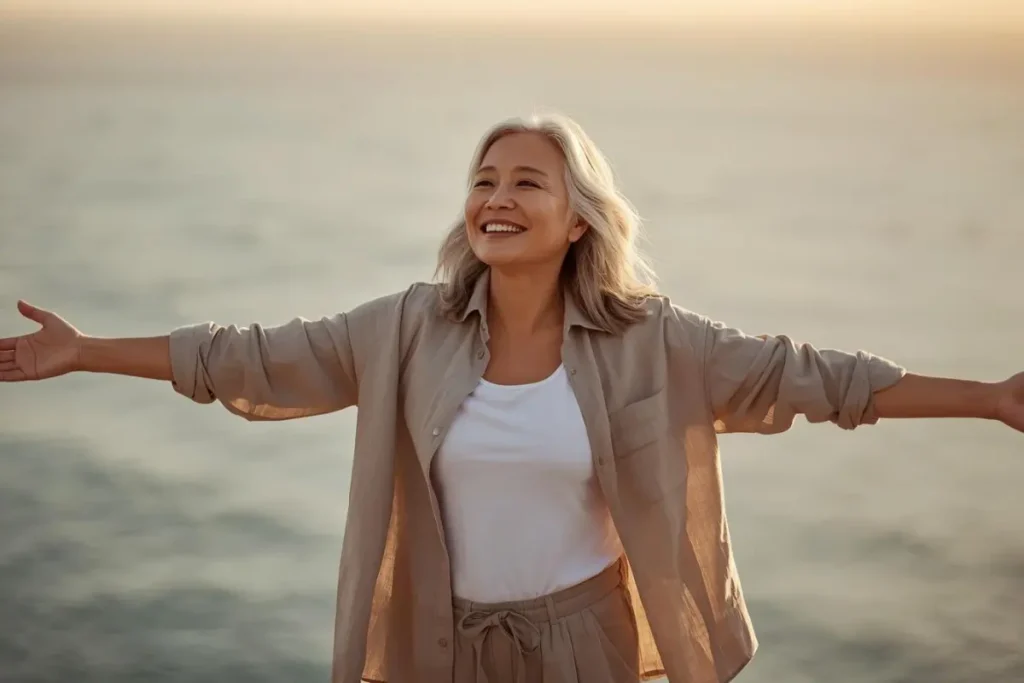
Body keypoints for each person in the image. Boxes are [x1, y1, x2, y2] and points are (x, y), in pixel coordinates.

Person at [1, 113, 1020, 683]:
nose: (496, 196)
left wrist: (990, 398)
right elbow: (246, 358)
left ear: (579, 218)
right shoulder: (405, 327)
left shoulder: (655, 341)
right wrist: (85, 352)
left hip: (586, 645)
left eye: (527, 181)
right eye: (484, 178)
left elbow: (817, 377)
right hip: (437, 644)